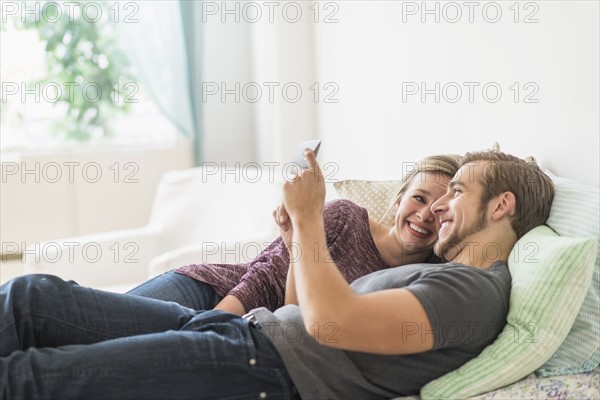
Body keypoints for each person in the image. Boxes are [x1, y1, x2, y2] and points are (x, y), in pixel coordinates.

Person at [0, 150, 554, 399]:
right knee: (32, 295)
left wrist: (308, 217)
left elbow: (331, 326)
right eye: (435, 193)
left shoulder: (474, 291)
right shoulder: (453, 276)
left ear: (502, 206)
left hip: (260, 366)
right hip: (248, 332)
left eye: (458, 192)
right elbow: (300, 305)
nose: (440, 208)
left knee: (38, 377)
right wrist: (302, 233)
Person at [126, 154, 461, 315]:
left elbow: (294, 316)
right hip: (215, 292)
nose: (424, 216)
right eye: (419, 198)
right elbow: (264, 277)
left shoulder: (420, 278)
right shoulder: (344, 217)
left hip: (259, 336)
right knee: (85, 325)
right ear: (400, 198)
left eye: (440, 210)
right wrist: (211, 326)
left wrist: (297, 246)